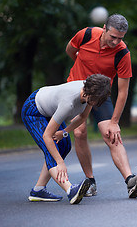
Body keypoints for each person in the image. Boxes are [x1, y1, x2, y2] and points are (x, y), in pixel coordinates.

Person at [65, 13, 137, 198]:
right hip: (77, 90)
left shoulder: (122, 53)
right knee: (79, 133)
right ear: (104, 28)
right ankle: (90, 182)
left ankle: (130, 180)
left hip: (101, 95)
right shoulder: (86, 34)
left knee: (111, 134)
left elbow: (123, 91)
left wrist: (115, 121)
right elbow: (70, 50)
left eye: (120, 38)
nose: (116, 41)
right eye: (113, 37)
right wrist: (81, 64)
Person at [21, 74, 111, 204]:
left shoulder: (92, 92)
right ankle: (70, 190)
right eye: (96, 100)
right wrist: (60, 162)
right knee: (52, 149)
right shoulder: (68, 103)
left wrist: (64, 132)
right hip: (34, 111)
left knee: (65, 146)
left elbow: (82, 117)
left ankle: (38, 190)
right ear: (89, 93)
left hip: (51, 111)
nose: (96, 104)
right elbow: (47, 136)